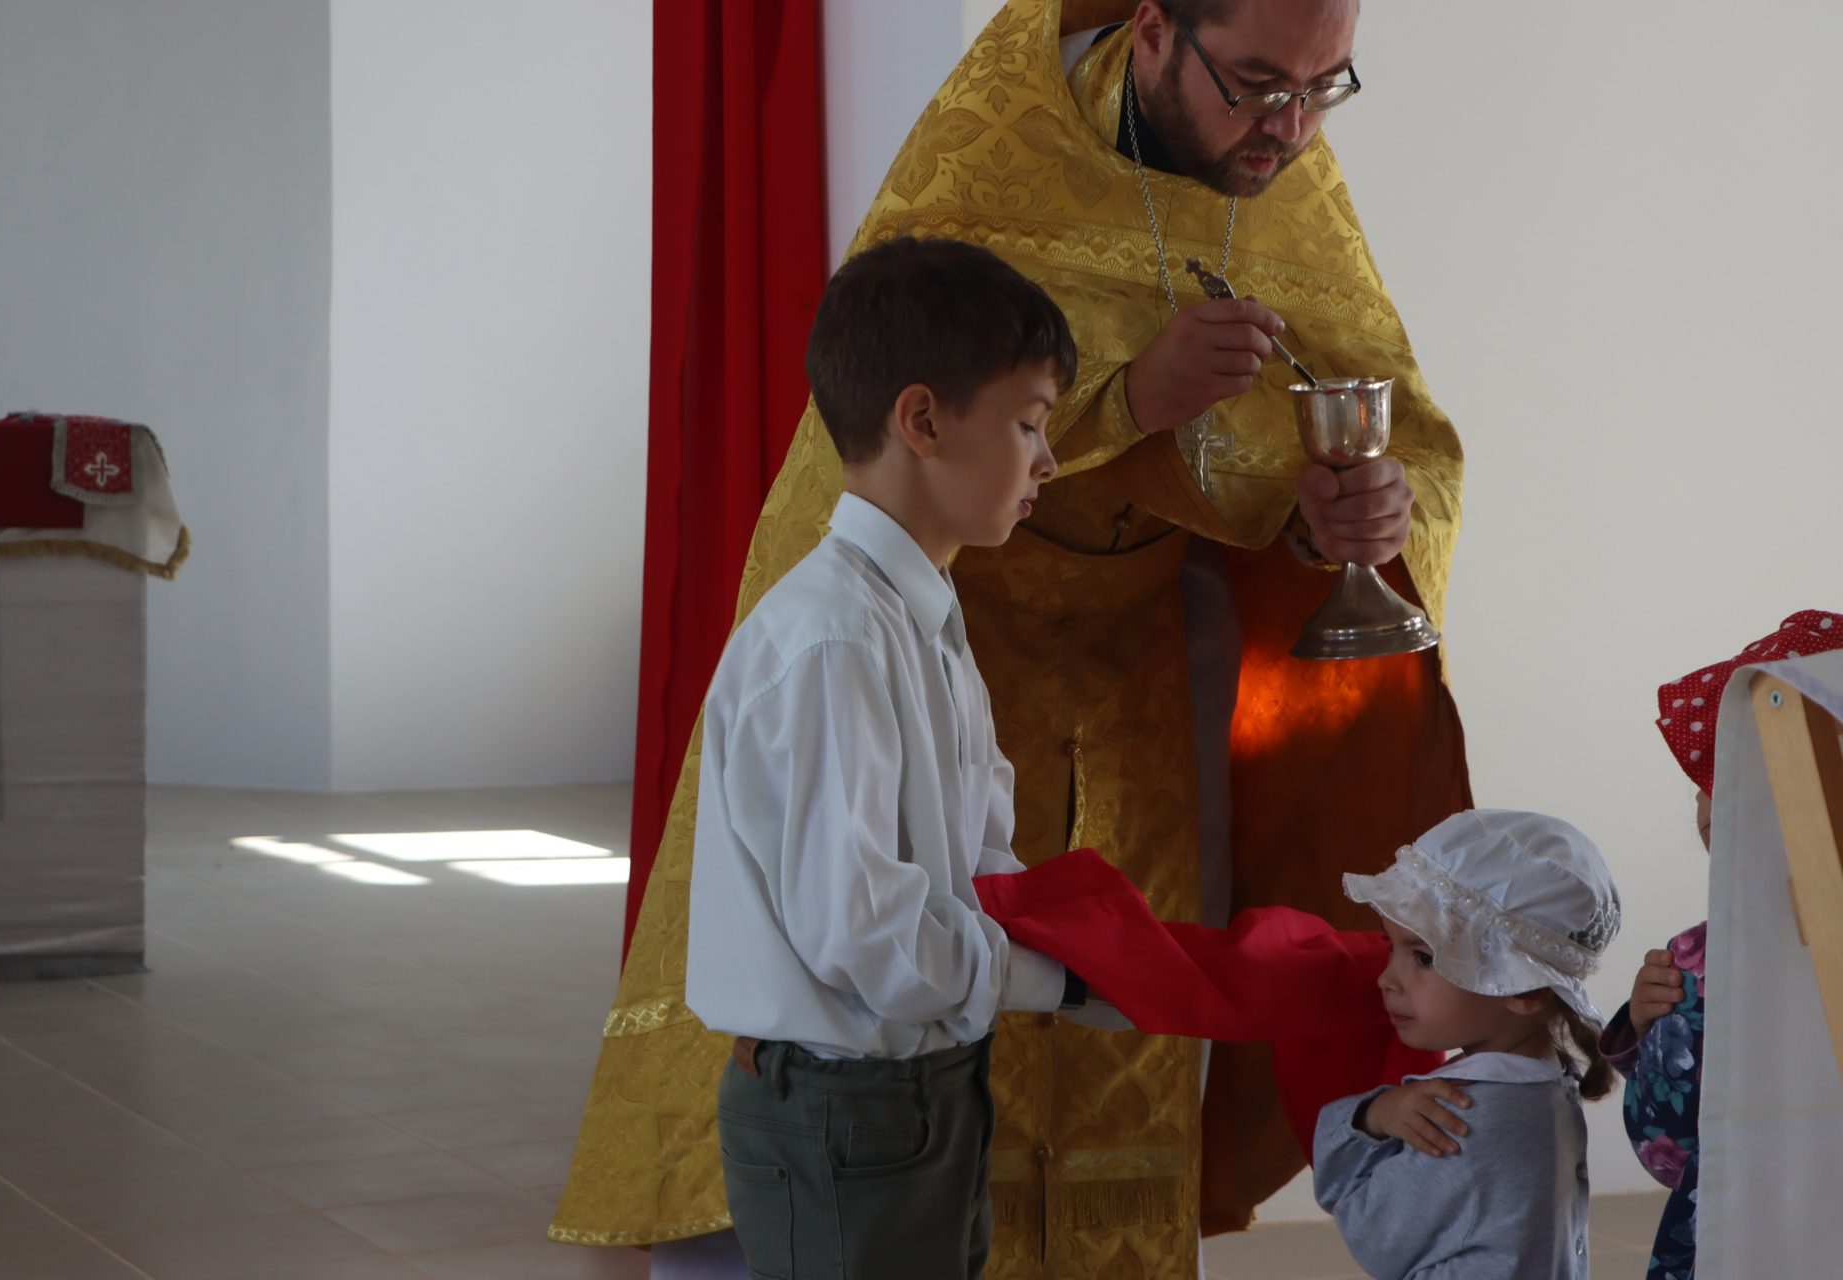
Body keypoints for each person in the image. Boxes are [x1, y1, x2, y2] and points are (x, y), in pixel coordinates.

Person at [556, 1, 1470, 1272]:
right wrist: (1133, 396)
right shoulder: (999, 148)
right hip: (978, 659)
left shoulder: (1287, 175)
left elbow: (1377, 434)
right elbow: (866, 925)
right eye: (1259, 83)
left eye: (1326, 89)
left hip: (1143, 685)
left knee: (1036, 1130)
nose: (1291, 128)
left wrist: (1339, 524)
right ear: (1154, 32)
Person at [685, 235, 1103, 1278]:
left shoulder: (922, 613)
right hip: (845, 1108)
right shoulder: (835, 641)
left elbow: (975, 861)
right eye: (1028, 422)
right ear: (923, 421)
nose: (1047, 460)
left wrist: (1104, 950)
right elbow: (863, 930)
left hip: (923, 1084)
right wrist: (1058, 981)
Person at [1598, 609, 1843, 1280]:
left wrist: (1658, 1038)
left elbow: (1667, 1144)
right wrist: (1644, 1025)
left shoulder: (1706, 960)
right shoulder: (1698, 962)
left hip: (1759, 1230)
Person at [1313, 810, 1622, 1279]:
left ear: (1523, 990)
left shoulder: (1463, 1117)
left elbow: (1373, 1237)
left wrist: (1371, 1116)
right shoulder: (1546, 1087)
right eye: (1392, 948)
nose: (1386, 979)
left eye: (1423, 958)